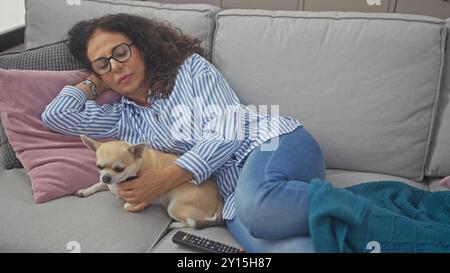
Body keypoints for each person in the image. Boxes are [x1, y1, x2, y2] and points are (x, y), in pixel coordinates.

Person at [41, 13, 325, 253]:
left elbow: (230, 128)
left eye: (120, 52)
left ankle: (366, 203)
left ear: (140, 46)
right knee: (283, 249)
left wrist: (167, 178)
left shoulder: (190, 69)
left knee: (259, 210)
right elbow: (56, 116)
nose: (115, 65)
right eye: (103, 64)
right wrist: (93, 84)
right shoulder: (121, 119)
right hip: (232, 197)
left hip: (271, 144)